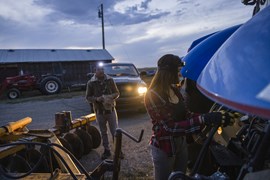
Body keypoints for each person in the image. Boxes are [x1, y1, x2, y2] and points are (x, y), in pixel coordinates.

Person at [144, 54, 237, 180]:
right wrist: (203, 119)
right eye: (177, 71)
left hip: (181, 144)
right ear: (168, 72)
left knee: (180, 177)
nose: (180, 74)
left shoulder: (174, 89)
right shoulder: (152, 95)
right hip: (164, 148)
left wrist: (210, 116)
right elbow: (168, 128)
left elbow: (186, 115)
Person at [86, 63, 120, 160]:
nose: (101, 71)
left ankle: (118, 151)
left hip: (111, 110)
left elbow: (117, 93)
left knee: (115, 131)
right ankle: (107, 150)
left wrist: (109, 97)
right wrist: (97, 99)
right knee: (103, 132)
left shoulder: (110, 80)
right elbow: (88, 97)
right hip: (100, 111)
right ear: (95, 71)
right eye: (98, 69)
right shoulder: (91, 83)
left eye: (102, 69)